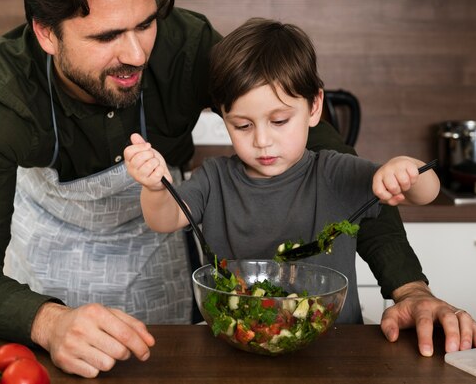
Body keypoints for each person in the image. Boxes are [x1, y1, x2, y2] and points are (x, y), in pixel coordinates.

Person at [0, 0, 476, 379]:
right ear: (47, 35)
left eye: (145, 24)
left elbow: (339, 176)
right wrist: (47, 322)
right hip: (47, 285)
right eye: (105, 38)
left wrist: (409, 287)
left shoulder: (188, 45)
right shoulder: (3, 97)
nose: (136, 53)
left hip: (162, 264)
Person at [124, 17, 441, 326]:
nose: (262, 141)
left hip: (333, 347)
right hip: (236, 339)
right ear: (223, 117)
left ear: (314, 107)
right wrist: (155, 188)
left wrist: (407, 169)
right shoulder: (214, 177)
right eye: (243, 125)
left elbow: (426, 193)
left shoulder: (335, 172)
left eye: (279, 122)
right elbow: (164, 220)